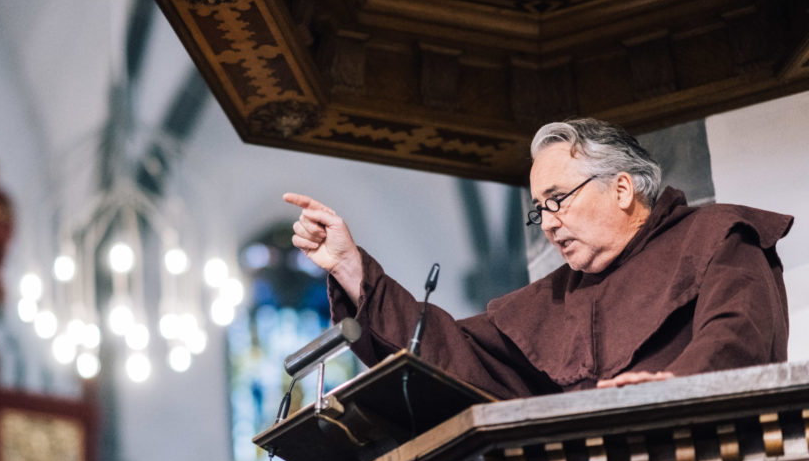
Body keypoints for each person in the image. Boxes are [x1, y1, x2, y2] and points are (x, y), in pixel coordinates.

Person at [284, 117, 793, 399]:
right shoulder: (547, 302)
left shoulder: (714, 235)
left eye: (558, 200)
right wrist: (349, 266)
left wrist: (675, 389)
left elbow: (737, 335)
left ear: (621, 189)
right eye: (538, 210)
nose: (547, 223)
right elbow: (447, 350)